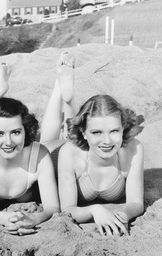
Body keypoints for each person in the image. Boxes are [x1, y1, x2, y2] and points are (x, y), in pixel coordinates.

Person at [40, 52, 144, 236]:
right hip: (54, 154)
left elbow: (136, 203)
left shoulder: (133, 149)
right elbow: (68, 209)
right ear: (85, 133)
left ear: (123, 128)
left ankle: (67, 94)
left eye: (114, 131)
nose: (107, 141)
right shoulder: (68, 153)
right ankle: (59, 87)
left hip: (81, 144)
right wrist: (95, 210)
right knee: (45, 143)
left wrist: (123, 214)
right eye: (97, 132)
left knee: (73, 133)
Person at [0, 59, 61, 235]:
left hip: (22, 150)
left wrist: (34, 218)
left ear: (26, 130)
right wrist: (0, 217)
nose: (8, 142)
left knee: (50, 142)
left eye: (16, 132)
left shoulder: (39, 154)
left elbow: (52, 207)